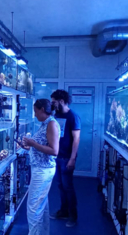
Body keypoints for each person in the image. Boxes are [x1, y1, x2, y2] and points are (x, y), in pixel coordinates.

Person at [19, 99, 60, 235]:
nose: (35, 115)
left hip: (43, 170)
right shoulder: (45, 124)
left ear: (42, 109)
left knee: (33, 208)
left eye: (36, 112)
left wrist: (33, 144)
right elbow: (42, 144)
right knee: (42, 206)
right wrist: (29, 146)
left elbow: (54, 150)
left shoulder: (51, 124)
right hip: (40, 169)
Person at [50, 89, 81, 227]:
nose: (53, 105)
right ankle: (64, 211)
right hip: (57, 156)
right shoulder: (56, 115)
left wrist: (72, 158)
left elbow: (76, 139)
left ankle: (73, 216)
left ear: (62, 101)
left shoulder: (73, 116)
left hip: (67, 157)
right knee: (60, 186)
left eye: (54, 102)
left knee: (68, 186)